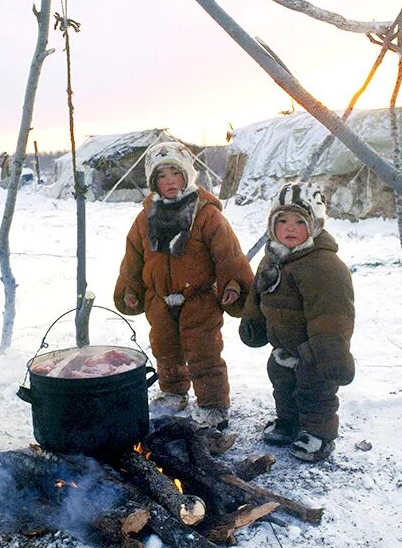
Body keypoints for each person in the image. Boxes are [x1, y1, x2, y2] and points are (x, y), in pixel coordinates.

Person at [114, 142, 253, 429]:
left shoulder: (206, 215)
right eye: (162, 176)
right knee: (165, 348)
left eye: (175, 174)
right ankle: (173, 392)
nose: (169, 182)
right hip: (159, 298)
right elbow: (133, 259)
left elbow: (228, 254)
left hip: (199, 298)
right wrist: (130, 289)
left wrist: (233, 285)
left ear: (187, 176)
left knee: (204, 352)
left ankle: (213, 404)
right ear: (154, 182)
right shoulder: (145, 218)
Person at [238, 182, 355, 462]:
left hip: (313, 349)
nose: (289, 228)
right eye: (282, 221)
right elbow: (258, 295)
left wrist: (329, 352)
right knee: (283, 386)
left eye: (299, 221)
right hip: (282, 347)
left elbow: (332, 314)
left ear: (314, 225)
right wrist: (252, 322)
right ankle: (288, 423)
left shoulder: (324, 266)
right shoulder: (271, 259)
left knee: (315, 392)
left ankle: (318, 433)